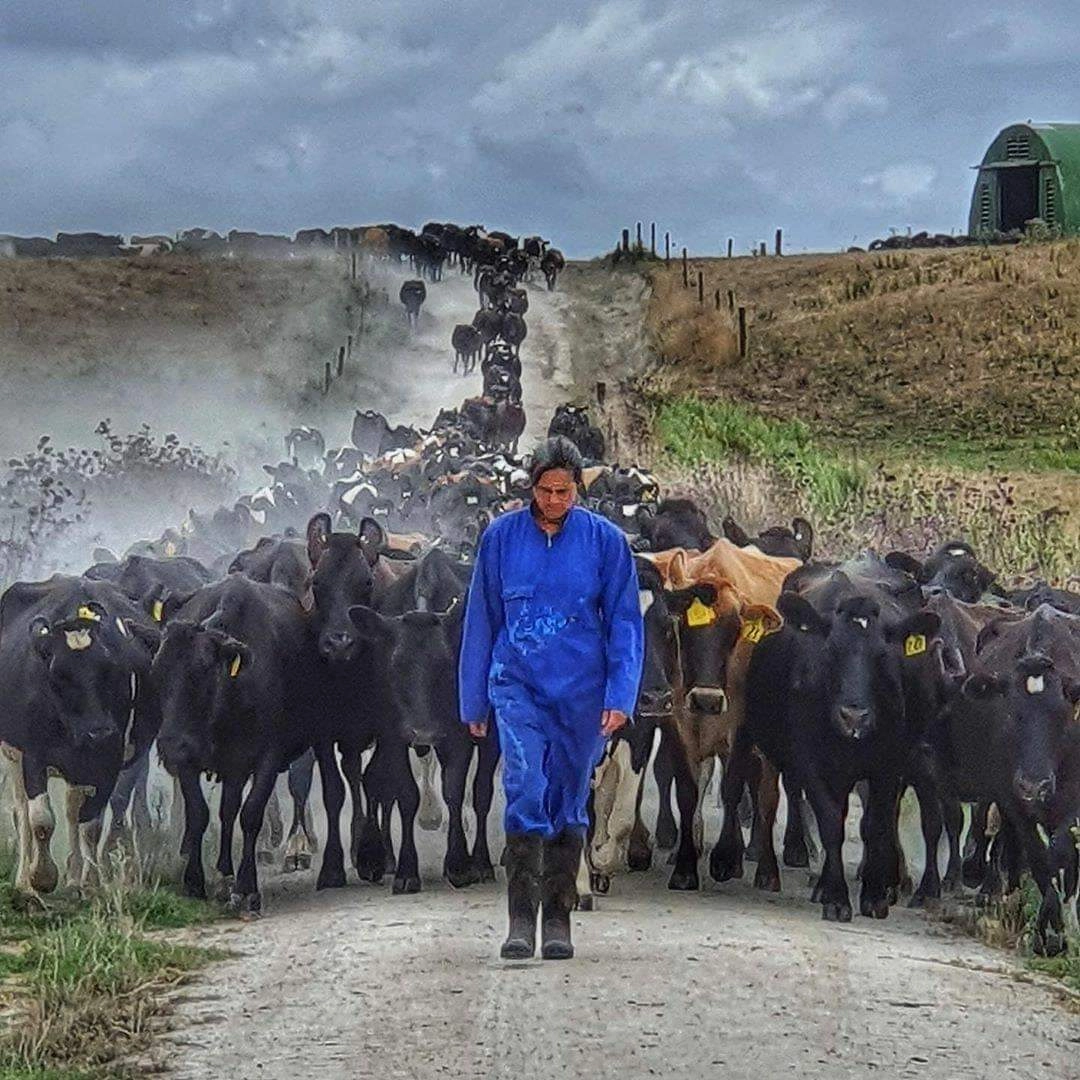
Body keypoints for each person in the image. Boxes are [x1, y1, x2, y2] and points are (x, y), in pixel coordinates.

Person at [458, 436, 644, 960]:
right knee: (525, 783)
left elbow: (626, 623)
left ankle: (558, 920)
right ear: (531, 487)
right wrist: (473, 700)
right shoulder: (500, 538)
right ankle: (520, 921)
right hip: (516, 684)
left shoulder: (606, 543)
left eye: (565, 491)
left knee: (568, 797)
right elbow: (482, 619)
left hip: (582, 693)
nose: (555, 500)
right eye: (546, 490)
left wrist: (620, 693)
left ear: (579, 489)